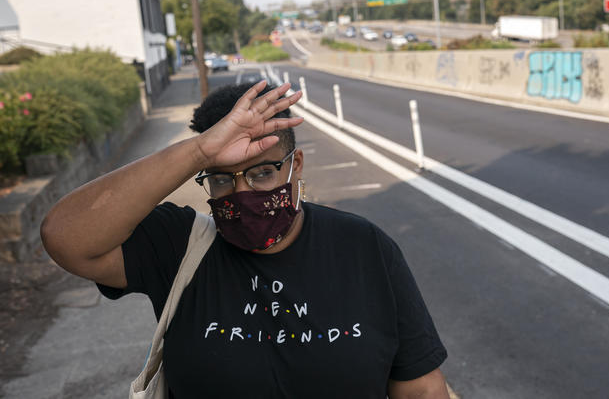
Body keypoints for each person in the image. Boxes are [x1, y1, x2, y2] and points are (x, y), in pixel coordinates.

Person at [41, 80, 449, 398]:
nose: (243, 194)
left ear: (296, 166)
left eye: (263, 173)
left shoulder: (363, 247)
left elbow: (420, 388)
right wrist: (200, 151)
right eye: (221, 179)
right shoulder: (177, 247)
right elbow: (65, 237)